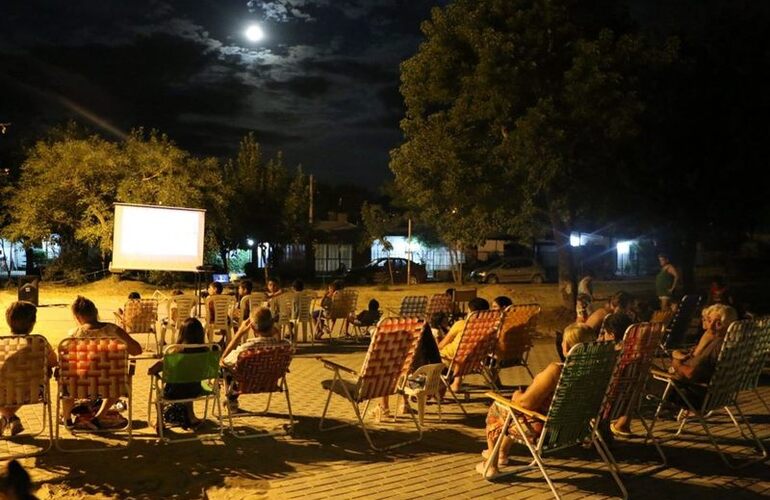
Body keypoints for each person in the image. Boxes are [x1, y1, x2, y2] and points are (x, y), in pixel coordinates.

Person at [477, 323, 596, 477]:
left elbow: (525, 404)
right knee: (513, 412)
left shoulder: (557, 370)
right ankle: (501, 453)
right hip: (577, 429)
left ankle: (491, 466)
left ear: (566, 346)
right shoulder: (596, 371)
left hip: (545, 432)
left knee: (500, 406)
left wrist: (516, 396)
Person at [62, 296, 142, 429]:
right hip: (111, 386)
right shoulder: (114, 330)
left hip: (80, 387)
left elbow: (63, 362)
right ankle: (98, 417)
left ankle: (67, 419)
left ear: (77, 317)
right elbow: (137, 350)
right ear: (96, 312)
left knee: (66, 381)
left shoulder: (73, 335)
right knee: (117, 377)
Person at [0, 301, 58, 437]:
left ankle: (6, 418)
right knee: (43, 374)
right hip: (32, 392)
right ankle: (10, 417)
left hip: (2, 391)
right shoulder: (40, 342)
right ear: (33, 322)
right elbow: (54, 362)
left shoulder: (2, 342)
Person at [666, 303, 737, 408]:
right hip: (719, 396)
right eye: (709, 320)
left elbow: (689, 374)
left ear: (728, 325)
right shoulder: (729, 343)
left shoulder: (717, 345)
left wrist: (676, 362)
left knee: (643, 377)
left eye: (718, 323)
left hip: (694, 396)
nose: (711, 326)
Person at [220, 307, 290, 411]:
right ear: (272, 325)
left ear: (252, 327)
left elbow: (223, 360)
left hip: (247, 383)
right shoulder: (285, 347)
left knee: (224, 368)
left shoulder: (246, 349)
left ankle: (232, 401)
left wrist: (239, 333)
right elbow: (278, 339)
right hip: (269, 382)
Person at [147, 317, 208, 432]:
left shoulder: (174, 353)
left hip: (173, 392)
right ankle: (191, 416)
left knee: (159, 396)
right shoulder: (205, 352)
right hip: (195, 390)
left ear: (182, 334)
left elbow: (152, 370)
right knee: (189, 380)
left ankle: (159, 421)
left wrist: (156, 373)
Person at [438, 297, 490, 391]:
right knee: (464, 353)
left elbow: (443, 343)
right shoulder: (488, 328)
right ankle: (456, 382)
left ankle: (438, 384)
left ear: (471, 312)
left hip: (449, 359)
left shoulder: (461, 324)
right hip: (473, 362)